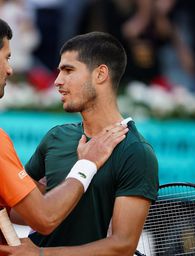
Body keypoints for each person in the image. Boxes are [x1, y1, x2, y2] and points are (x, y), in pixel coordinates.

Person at [0, 31, 159, 255]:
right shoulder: (55, 137)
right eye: (59, 71)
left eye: (68, 70)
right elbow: (26, 210)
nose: (57, 81)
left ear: (101, 74)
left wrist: (43, 254)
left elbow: (122, 245)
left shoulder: (136, 152)